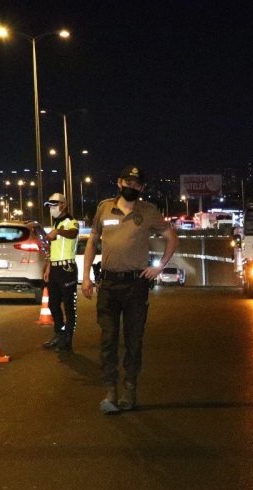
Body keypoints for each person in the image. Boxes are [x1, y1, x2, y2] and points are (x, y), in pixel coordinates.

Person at [82, 165, 179, 414]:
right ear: (119, 182)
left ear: (142, 188)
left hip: (136, 285)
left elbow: (171, 237)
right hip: (109, 284)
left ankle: (130, 389)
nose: (132, 187)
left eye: (137, 184)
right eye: (128, 182)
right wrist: (85, 277)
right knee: (108, 339)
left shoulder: (148, 211)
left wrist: (159, 267)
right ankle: (111, 390)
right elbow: (93, 241)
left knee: (134, 340)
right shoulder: (104, 208)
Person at [41, 192, 80, 352]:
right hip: (55, 269)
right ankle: (59, 333)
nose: (51, 209)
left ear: (63, 205)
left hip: (67, 268)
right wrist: (48, 267)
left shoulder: (71, 222)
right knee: (53, 304)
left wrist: (59, 233)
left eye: (54, 205)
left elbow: (74, 233)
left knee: (69, 306)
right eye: (49, 206)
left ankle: (67, 339)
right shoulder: (56, 225)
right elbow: (53, 248)